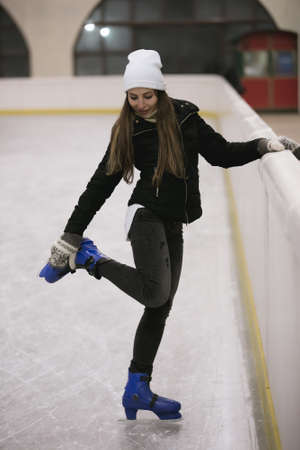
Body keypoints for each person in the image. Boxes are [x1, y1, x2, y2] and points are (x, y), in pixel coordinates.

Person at [40, 49, 295, 420]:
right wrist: (71, 235)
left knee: (159, 307)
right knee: (154, 292)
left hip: (173, 223)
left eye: (147, 95)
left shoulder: (186, 118)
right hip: (145, 216)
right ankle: (89, 259)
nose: (141, 104)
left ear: (160, 91)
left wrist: (262, 146)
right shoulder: (128, 130)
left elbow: (221, 154)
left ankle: (137, 388)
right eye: (133, 96)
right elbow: (101, 184)